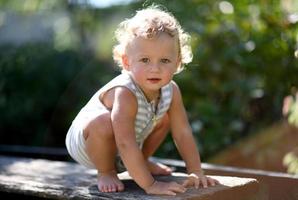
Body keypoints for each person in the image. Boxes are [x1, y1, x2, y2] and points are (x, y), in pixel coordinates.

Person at [65, 5, 219, 196]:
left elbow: (183, 132)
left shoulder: (171, 91)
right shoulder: (125, 92)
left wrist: (196, 171)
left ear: (178, 62)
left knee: (164, 119)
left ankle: (141, 161)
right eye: (145, 60)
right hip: (87, 143)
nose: (155, 69)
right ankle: (106, 171)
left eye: (164, 60)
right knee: (104, 123)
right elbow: (125, 142)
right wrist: (151, 185)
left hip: (126, 142)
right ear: (127, 62)